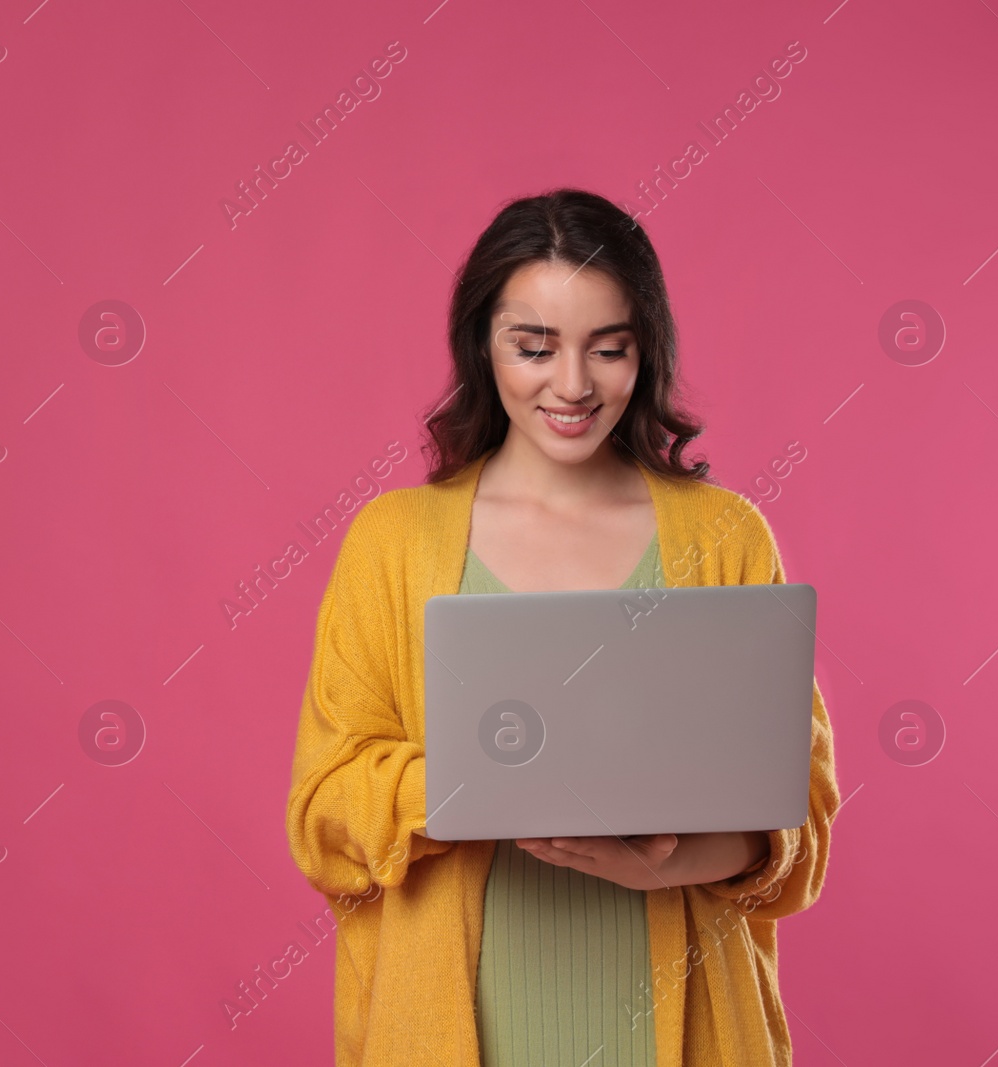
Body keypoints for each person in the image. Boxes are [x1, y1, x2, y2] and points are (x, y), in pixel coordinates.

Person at [284, 188, 842, 1067]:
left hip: (680, 1021)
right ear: (483, 346)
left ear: (645, 349)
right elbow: (322, 816)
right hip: (465, 1023)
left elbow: (799, 811)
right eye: (533, 347)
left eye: (608, 349)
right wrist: (490, 776)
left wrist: (667, 860)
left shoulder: (727, 536)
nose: (572, 385)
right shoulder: (391, 542)